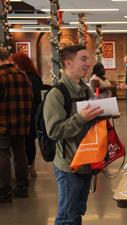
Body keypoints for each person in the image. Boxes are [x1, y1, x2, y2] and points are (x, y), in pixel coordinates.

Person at [43, 45, 103, 224]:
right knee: (67, 216)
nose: (89, 64)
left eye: (89, 59)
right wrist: (81, 118)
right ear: (68, 62)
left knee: (77, 211)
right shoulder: (56, 94)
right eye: (83, 59)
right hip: (68, 165)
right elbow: (54, 131)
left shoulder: (85, 90)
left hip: (86, 160)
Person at [0, 48, 33, 203]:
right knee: (20, 154)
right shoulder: (23, 75)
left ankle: (4, 191)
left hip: (3, 124)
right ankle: (22, 187)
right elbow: (30, 98)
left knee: (3, 155)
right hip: (21, 123)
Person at [10, 52, 43, 179]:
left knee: (27, 143)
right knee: (29, 142)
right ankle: (30, 167)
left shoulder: (27, 78)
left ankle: (28, 168)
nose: (13, 66)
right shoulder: (34, 76)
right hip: (32, 114)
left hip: (28, 114)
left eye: (15, 63)